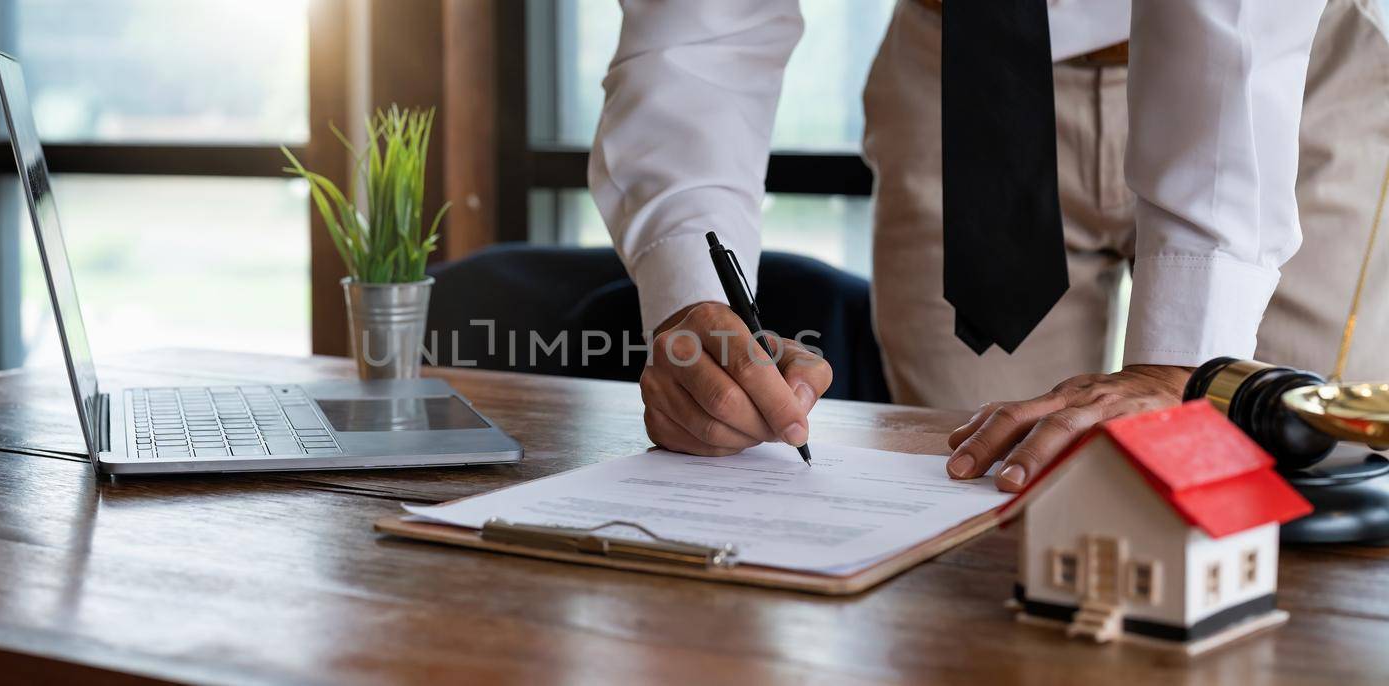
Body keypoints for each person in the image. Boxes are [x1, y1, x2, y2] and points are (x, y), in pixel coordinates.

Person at [589, 0, 1389, 491]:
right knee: (972, 506)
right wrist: (692, 296)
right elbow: (702, 27)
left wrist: (1186, 357)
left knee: (1308, 491)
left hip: (1279, 79)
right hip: (964, 78)